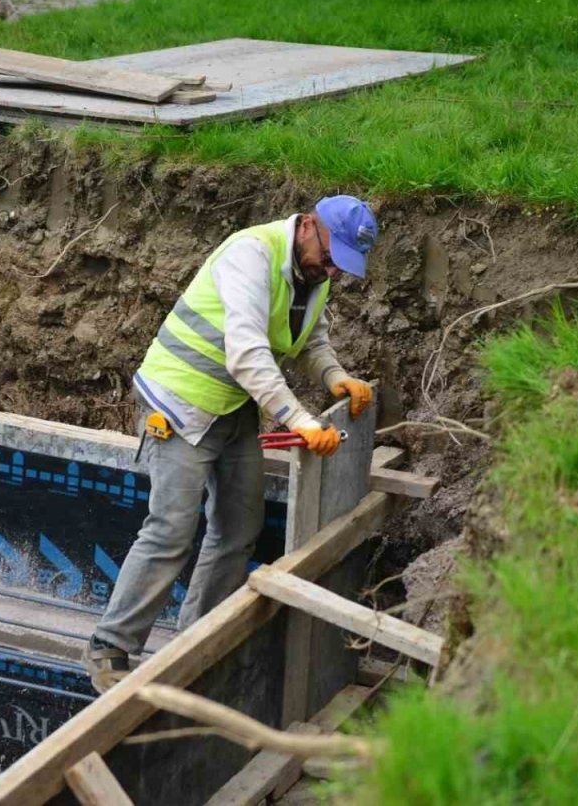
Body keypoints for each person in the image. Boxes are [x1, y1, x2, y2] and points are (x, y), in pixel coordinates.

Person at [82, 195, 379, 692]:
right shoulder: (251, 254)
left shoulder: (314, 276)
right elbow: (247, 353)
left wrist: (336, 378)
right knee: (172, 528)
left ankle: (194, 643)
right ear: (307, 225)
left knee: (240, 526)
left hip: (230, 405)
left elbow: (310, 340)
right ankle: (109, 646)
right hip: (177, 402)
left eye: (341, 265)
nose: (331, 270)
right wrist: (300, 420)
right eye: (329, 256)